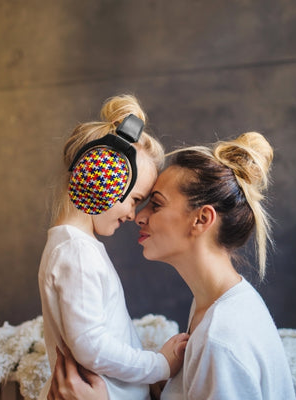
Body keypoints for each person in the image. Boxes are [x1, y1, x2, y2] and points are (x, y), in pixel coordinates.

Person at [46, 131, 296, 400]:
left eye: (156, 204)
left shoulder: (222, 340)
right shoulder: (211, 306)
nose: (138, 216)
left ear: (201, 220)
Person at [38, 94, 189, 400]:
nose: (134, 215)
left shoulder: (74, 247)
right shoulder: (76, 253)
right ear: (99, 178)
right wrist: (159, 365)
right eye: (135, 200)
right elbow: (91, 346)